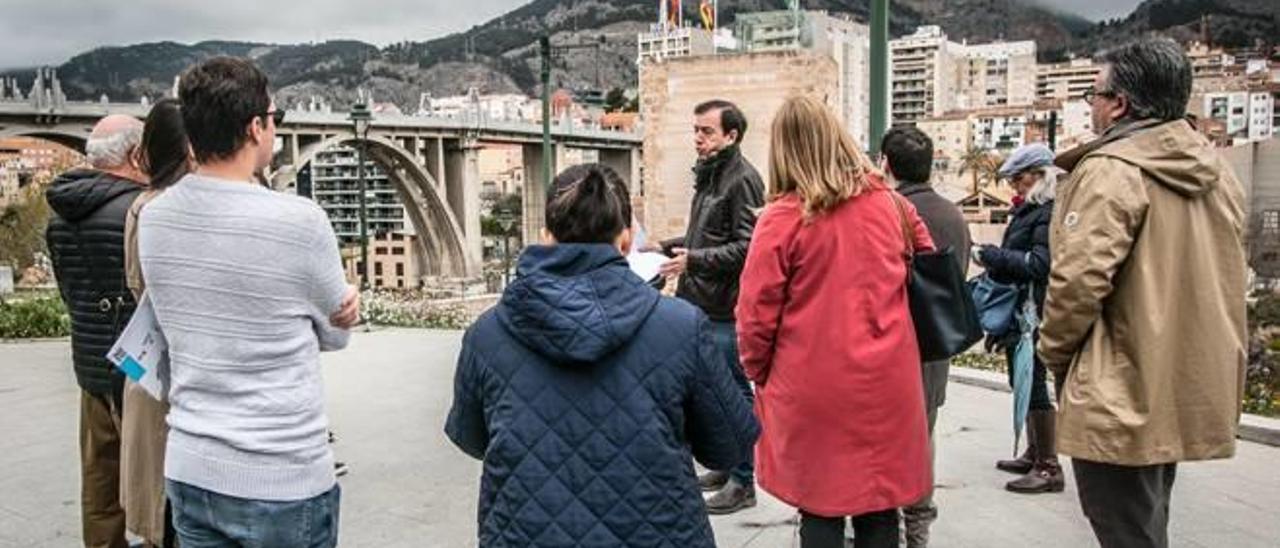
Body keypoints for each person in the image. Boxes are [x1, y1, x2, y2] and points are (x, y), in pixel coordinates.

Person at [445, 163, 759, 547]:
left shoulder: (487, 334)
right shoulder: (681, 327)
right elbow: (727, 444)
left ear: (546, 236)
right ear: (626, 240)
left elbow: (472, 438)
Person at [138, 57, 360, 547]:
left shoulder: (154, 219)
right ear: (256, 126)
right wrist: (347, 307)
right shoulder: (300, 222)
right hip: (282, 473)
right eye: (274, 117)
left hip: (192, 467)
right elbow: (336, 333)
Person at [1038, 37, 1247, 548]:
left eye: (1093, 94)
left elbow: (1077, 282)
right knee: (1147, 523)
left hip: (1120, 384)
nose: (1091, 105)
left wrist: (1055, 355)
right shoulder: (1215, 173)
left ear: (1120, 103)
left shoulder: (1112, 169)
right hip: (1179, 378)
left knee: (1124, 529)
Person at [737, 96, 933, 548]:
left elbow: (755, 315)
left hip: (813, 381)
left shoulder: (782, 218)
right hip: (888, 380)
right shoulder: (891, 205)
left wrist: (758, 371)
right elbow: (927, 258)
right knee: (879, 502)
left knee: (820, 506)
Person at [650, 99, 765, 514]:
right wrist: (663, 245)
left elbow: (750, 245)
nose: (698, 138)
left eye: (707, 132)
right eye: (696, 130)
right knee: (712, 392)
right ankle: (726, 465)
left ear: (731, 136)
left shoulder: (742, 179)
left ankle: (743, 481)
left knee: (733, 394)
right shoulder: (711, 175)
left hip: (724, 308)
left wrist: (694, 260)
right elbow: (707, 235)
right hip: (700, 301)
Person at [46, 114, 147, 548]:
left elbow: (70, 293)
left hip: (90, 367)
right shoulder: (138, 213)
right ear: (136, 154)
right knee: (151, 481)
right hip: (139, 372)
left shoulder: (59, 217)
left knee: (100, 487)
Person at [880, 126, 971, 547]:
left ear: (886, 163)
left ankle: (888, 525)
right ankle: (919, 526)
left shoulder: (888, 211)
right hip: (937, 347)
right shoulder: (954, 214)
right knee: (924, 436)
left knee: (885, 441)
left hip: (894, 347)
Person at [972, 142, 1062, 494]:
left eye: (1018, 178)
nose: (1014, 186)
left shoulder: (1046, 212)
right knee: (1021, 378)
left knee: (1034, 380)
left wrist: (993, 256)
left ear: (1039, 175)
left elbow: (1039, 264)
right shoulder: (1031, 210)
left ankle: (1048, 465)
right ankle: (1035, 451)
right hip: (1020, 309)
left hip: (1032, 311)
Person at [121, 98, 190, 548]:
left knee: (159, 517)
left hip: (145, 373)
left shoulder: (139, 207)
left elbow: (135, 286)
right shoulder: (166, 211)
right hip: (173, 378)